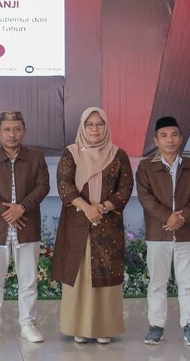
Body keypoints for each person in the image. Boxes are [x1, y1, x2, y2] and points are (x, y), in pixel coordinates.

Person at [51, 107, 133, 344]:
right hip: (78, 223)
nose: (94, 129)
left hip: (108, 226)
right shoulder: (71, 153)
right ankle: (78, 326)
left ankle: (104, 328)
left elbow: (125, 187)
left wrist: (103, 207)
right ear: (82, 127)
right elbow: (64, 184)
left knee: (104, 275)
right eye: (89, 124)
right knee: (80, 273)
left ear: (106, 126)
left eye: (99, 124)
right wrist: (87, 208)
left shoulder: (118, 155)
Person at [0, 110, 50, 344]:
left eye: (17, 129)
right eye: (7, 130)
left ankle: (27, 324)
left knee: (28, 279)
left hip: (27, 225)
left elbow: (43, 186)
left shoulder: (36, 157)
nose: (12, 134)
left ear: (24, 131)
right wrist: (8, 212)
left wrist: (22, 208)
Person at [136, 116, 190, 346]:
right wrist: (167, 216)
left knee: (187, 283)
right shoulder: (147, 166)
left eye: (174, 135)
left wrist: (183, 217)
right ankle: (156, 326)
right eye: (164, 136)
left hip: (187, 234)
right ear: (156, 140)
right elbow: (145, 197)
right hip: (158, 234)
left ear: (181, 138)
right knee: (157, 282)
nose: (170, 140)